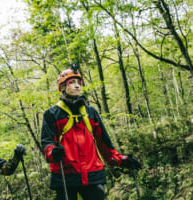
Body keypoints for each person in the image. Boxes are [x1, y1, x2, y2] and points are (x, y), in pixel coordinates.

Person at [41, 65, 141, 200]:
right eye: (72, 83)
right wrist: (53, 152)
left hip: (93, 174)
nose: (77, 86)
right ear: (62, 87)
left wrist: (121, 160)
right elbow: (47, 143)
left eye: (79, 83)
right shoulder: (51, 114)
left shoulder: (90, 112)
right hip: (65, 177)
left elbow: (104, 143)